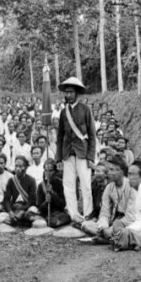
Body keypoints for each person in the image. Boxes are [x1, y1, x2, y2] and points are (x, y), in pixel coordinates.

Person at [55, 77, 96, 223]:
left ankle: (88, 214)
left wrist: (91, 157)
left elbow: (92, 135)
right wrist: (58, 158)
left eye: (71, 92)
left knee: (85, 184)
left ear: (77, 93)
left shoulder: (85, 110)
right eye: (66, 92)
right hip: (67, 153)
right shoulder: (62, 112)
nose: (68, 95)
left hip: (83, 152)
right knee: (68, 185)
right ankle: (73, 215)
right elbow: (60, 136)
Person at [81, 154, 136, 240]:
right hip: (113, 221)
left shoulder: (132, 187)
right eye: (109, 169)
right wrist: (103, 227)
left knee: (126, 231)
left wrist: (113, 228)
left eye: (112, 170)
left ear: (122, 171)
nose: (109, 173)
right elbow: (104, 213)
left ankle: (110, 237)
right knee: (85, 225)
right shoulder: (109, 187)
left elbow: (131, 217)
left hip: (128, 222)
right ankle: (108, 236)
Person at [0, 156, 38, 225]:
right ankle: (16, 219)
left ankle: (20, 219)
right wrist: (10, 211)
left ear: (25, 167)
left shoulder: (31, 180)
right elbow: (7, 199)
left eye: (20, 166)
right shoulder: (11, 180)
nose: (18, 168)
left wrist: (22, 210)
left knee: (33, 210)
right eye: (16, 166)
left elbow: (32, 200)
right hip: (14, 207)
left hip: (26, 208)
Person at [36, 159, 71, 228]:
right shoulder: (41, 185)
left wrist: (53, 193)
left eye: (50, 171)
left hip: (58, 212)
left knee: (66, 217)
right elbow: (39, 207)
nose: (47, 173)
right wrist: (46, 202)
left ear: (55, 171)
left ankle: (52, 222)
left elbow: (62, 204)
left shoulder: (60, 183)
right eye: (46, 170)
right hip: (46, 213)